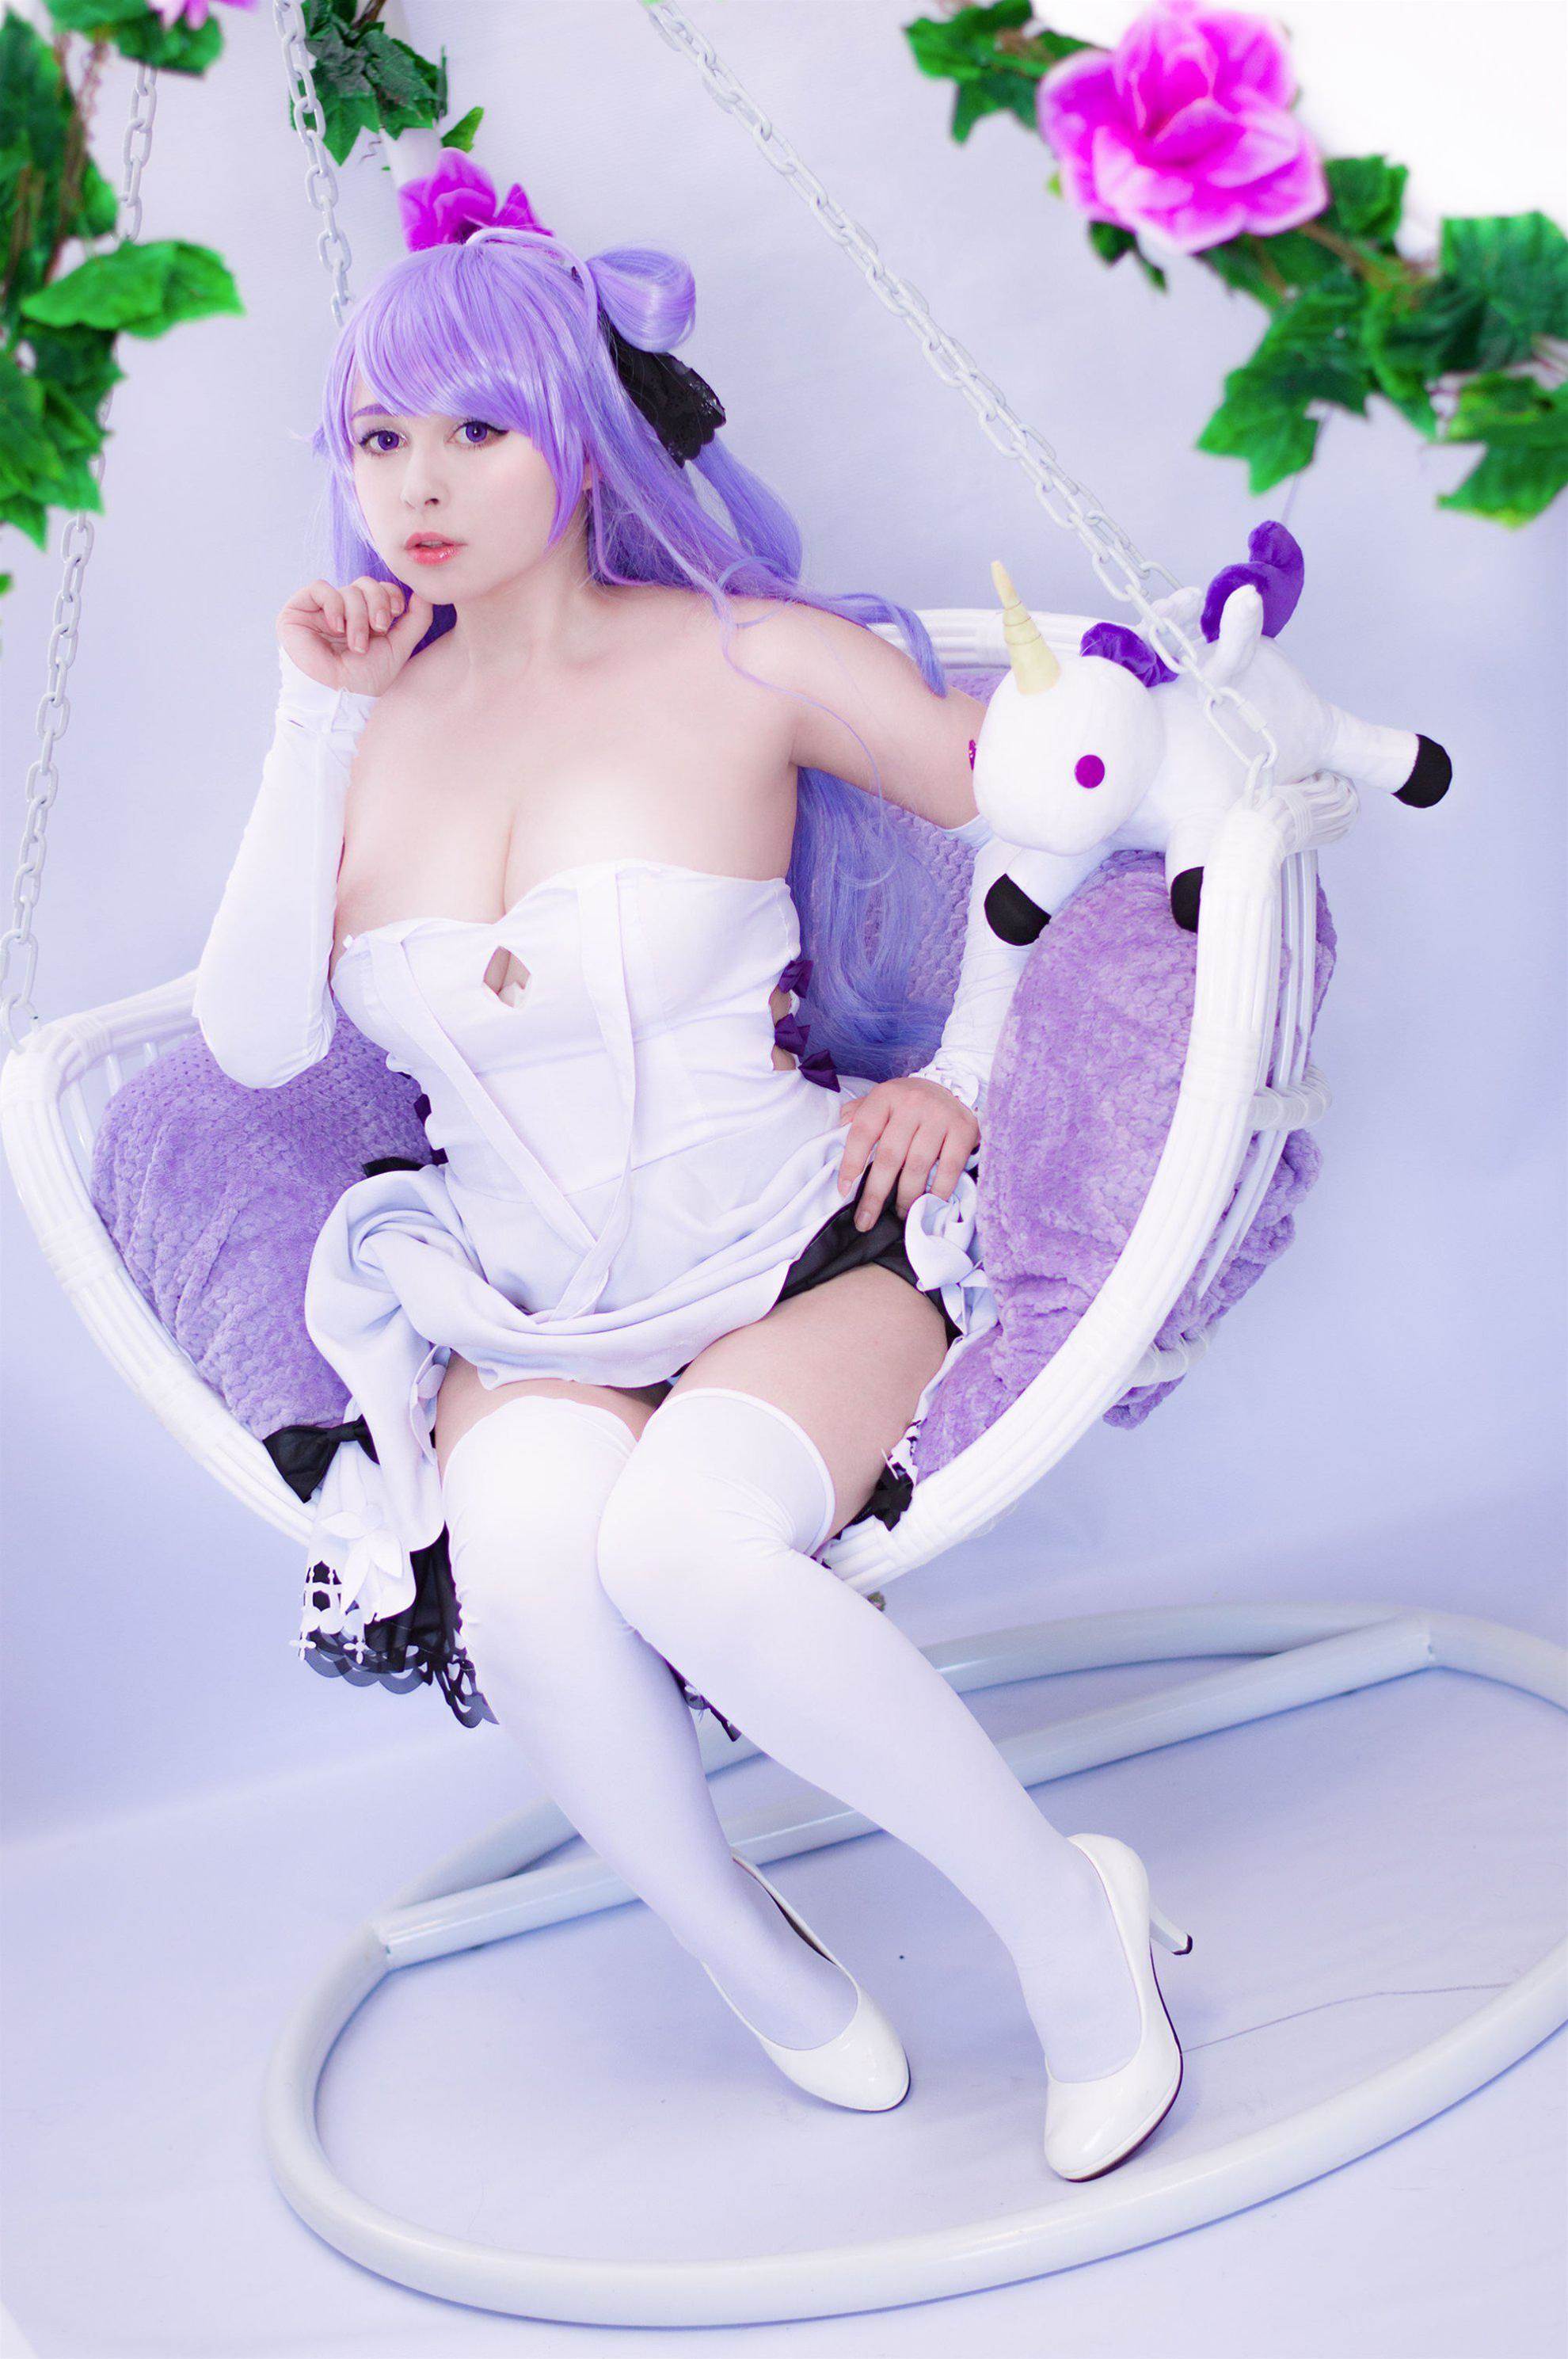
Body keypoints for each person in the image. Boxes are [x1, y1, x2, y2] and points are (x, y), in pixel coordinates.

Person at [193, 180, 1187, 2179]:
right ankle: (756, 1958)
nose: (419, 483)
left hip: (789, 1251)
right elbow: (253, 1039)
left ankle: (1071, 1933)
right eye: (378, 437)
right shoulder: (360, 727)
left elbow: (1072, 788)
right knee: (529, 1574)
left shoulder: (744, 657)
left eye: (474, 428)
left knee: (684, 1549)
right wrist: (311, 712)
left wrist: (969, 1068)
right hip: (522, 1304)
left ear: (576, 427)